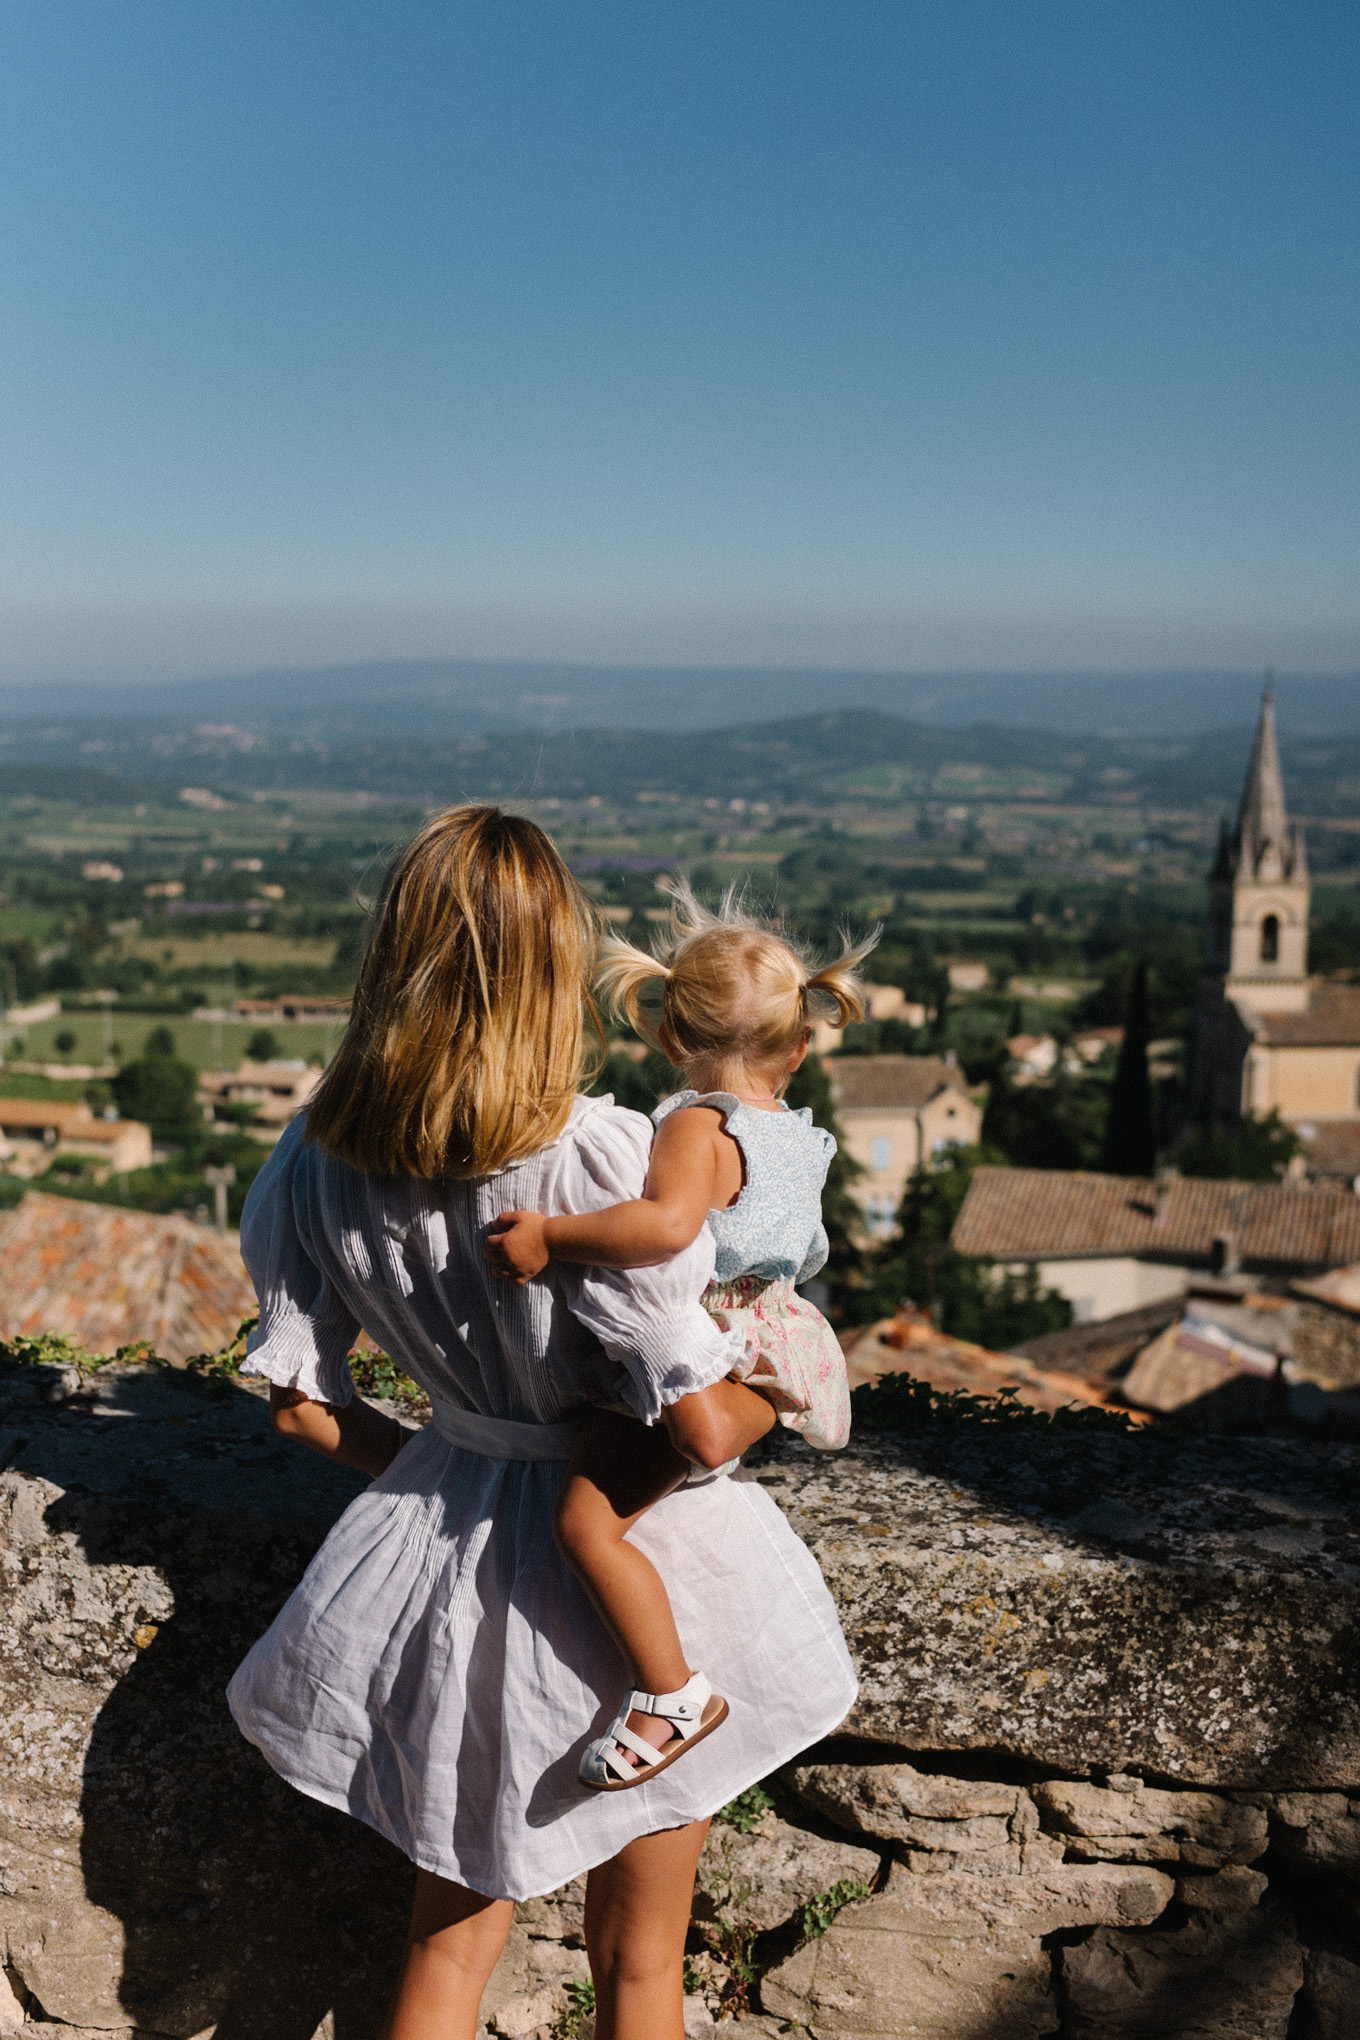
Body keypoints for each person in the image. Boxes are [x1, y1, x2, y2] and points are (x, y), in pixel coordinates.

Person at [225, 808, 857, 2040]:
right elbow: (699, 1423)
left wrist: (455, 1467)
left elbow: (303, 1412)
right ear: (555, 969)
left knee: (445, 1954)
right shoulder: (615, 1160)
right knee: (640, 1972)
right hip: (649, 1573)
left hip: (452, 1556)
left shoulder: (311, 1161)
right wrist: (791, 1377)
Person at [485, 885, 873, 1793]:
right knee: (666, 1464)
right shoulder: (799, 1137)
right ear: (801, 1045)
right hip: (778, 1326)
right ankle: (734, 1425)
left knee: (585, 1524)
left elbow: (664, 1231)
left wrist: (552, 1236)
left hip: (708, 1335)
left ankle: (672, 1693)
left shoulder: (698, 1124)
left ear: (668, 1038)